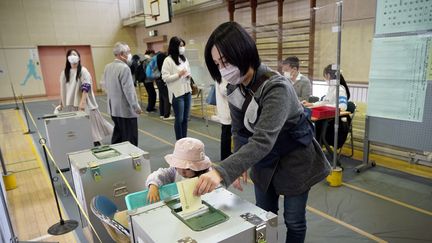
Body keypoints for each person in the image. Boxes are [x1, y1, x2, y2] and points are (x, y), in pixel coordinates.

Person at [194, 22, 331, 243]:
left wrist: (222, 171)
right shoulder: (234, 88)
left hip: (295, 158)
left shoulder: (277, 87)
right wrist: (240, 164)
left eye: (226, 61)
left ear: (243, 51)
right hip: (264, 160)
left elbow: (262, 140)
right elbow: (239, 131)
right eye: (218, 63)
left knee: (294, 220)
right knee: (264, 216)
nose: (222, 68)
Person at [59, 49, 113, 146]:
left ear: (79, 58)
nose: (73, 56)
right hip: (70, 104)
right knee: (76, 125)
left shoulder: (83, 71)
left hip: (84, 103)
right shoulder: (64, 73)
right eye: (70, 55)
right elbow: (63, 89)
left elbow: (86, 86)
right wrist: (62, 102)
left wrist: (82, 102)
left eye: (75, 54)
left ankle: (96, 142)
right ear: (67, 58)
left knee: (91, 125)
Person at [302, 64, 352, 157]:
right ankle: (315, 151)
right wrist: (312, 104)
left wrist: (326, 106)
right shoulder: (331, 88)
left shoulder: (340, 89)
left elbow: (343, 106)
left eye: (325, 76)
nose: (325, 78)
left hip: (336, 122)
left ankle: (316, 152)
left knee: (316, 127)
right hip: (328, 118)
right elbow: (325, 102)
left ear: (328, 76)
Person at [146, 137, 211, 203]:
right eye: (179, 166)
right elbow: (161, 173)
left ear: (199, 168)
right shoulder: (174, 171)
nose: (183, 172)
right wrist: (153, 185)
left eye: (188, 169)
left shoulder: (207, 175)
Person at [103, 42, 142, 146]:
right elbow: (129, 91)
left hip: (113, 109)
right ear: (121, 54)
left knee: (118, 137)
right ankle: (130, 159)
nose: (130, 54)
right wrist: (136, 107)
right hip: (125, 110)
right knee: (130, 139)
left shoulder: (107, 67)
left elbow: (104, 85)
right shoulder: (124, 68)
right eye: (128, 52)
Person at [161, 36, 192, 140]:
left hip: (187, 91)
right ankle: (179, 141)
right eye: (180, 45)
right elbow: (165, 78)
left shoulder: (184, 58)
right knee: (179, 118)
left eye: (183, 45)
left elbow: (189, 71)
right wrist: (178, 75)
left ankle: (185, 139)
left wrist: (188, 75)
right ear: (175, 47)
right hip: (177, 93)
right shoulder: (168, 60)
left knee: (186, 119)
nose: (182, 47)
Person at [214, 78, 232, 160]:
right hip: (226, 108)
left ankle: (227, 153)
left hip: (226, 107)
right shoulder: (222, 74)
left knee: (227, 133)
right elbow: (224, 90)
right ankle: (225, 156)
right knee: (226, 133)